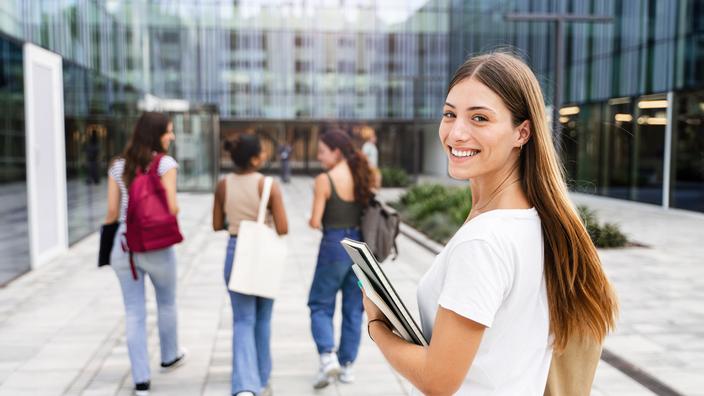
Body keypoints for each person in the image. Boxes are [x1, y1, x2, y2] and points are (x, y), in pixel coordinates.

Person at [361, 52, 618, 395]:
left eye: (479, 118)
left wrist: (379, 326)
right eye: (449, 114)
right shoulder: (534, 223)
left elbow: (439, 380)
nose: (456, 133)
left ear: (521, 132)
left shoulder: (484, 242)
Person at [104, 112, 186, 396]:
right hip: (157, 245)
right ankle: (169, 355)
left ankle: (141, 380)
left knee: (133, 311)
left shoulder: (117, 166)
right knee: (166, 302)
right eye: (169, 132)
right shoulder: (165, 164)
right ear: (156, 134)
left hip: (124, 246)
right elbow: (172, 207)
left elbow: (112, 213)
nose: (172, 137)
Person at [213, 134, 288, 396]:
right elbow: (283, 227)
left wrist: (238, 221)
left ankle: (245, 384)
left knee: (243, 320)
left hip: (236, 251)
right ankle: (262, 376)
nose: (266, 155)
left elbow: (215, 224)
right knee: (263, 319)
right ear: (254, 159)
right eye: (263, 152)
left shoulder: (223, 185)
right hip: (263, 253)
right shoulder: (268, 185)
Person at [307, 130, 374, 389]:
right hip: (359, 249)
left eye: (322, 151)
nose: (319, 156)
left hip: (333, 247)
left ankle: (327, 357)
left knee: (320, 304)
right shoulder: (364, 175)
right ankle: (347, 366)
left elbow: (315, 221)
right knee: (353, 308)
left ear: (336, 151)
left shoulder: (325, 180)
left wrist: (315, 220)